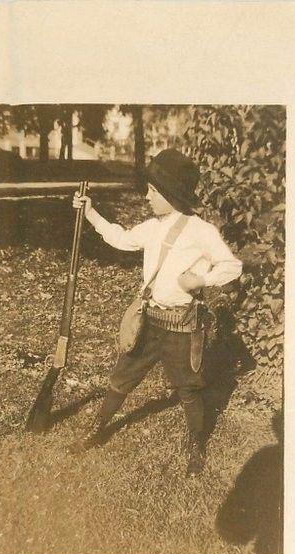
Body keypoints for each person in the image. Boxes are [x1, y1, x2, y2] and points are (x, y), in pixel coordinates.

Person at [70, 148, 242, 476]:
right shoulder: (152, 227)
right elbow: (120, 238)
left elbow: (232, 266)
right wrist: (90, 212)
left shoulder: (202, 232)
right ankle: (97, 429)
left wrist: (202, 279)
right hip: (148, 320)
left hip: (181, 325)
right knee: (122, 377)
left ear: (169, 195)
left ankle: (196, 444)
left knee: (188, 388)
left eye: (152, 190)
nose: (146, 196)